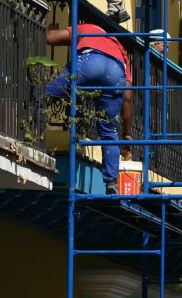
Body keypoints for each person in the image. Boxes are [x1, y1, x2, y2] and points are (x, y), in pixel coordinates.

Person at [45, 22, 133, 194]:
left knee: (49, 93)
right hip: (115, 72)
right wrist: (127, 135)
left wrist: (49, 29)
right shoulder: (118, 46)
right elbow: (128, 98)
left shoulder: (88, 28)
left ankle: (28, 123)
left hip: (90, 61)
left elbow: (50, 38)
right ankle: (111, 182)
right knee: (108, 130)